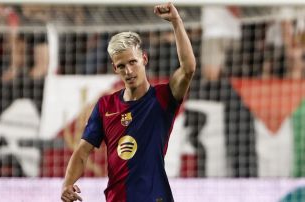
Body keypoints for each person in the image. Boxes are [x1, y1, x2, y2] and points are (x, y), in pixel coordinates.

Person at [61, 2, 196, 202]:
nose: (129, 71)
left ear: (144, 59)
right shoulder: (105, 105)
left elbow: (188, 69)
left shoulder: (163, 97)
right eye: (121, 66)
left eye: (133, 62)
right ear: (115, 69)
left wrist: (176, 22)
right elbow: (82, 151)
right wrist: (67, 184)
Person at [201, 6, 241, 81]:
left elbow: (234, 8)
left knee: (212, 75)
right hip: (219, 32)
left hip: (216, 32)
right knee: (212, 75)